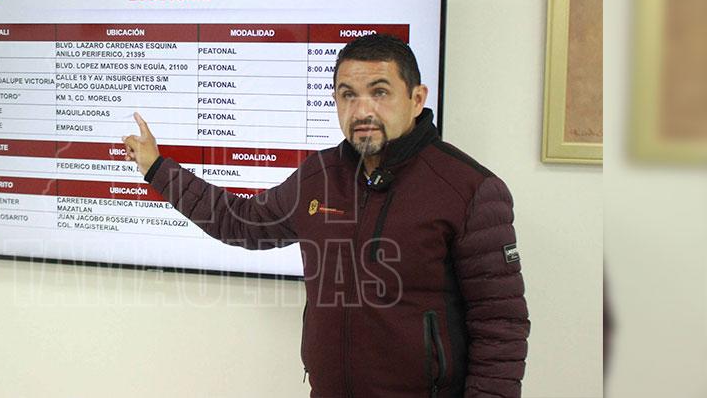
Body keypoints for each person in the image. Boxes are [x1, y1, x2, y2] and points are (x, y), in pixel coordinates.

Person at [123, 34, 529, 398]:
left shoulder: (469, 190)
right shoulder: (319, 175)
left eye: (380, 92)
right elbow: (241, 222)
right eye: (348, 95)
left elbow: (501, 328)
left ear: (417, 98)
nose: (362, 110)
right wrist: (158, 169)